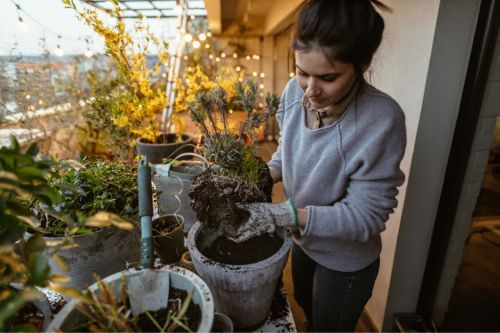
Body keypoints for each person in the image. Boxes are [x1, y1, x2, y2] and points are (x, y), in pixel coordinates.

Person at [228, 0, 406, 331]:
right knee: (306, 306)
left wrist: (285, 214)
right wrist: (262, 176)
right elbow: (288, 151)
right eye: (301, 72)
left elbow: (365, 216)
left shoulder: (381, 119)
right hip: (303, 240)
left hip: (345, 261)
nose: (310, 91)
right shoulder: (293, 94)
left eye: (328, 77)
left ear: (362, 64)